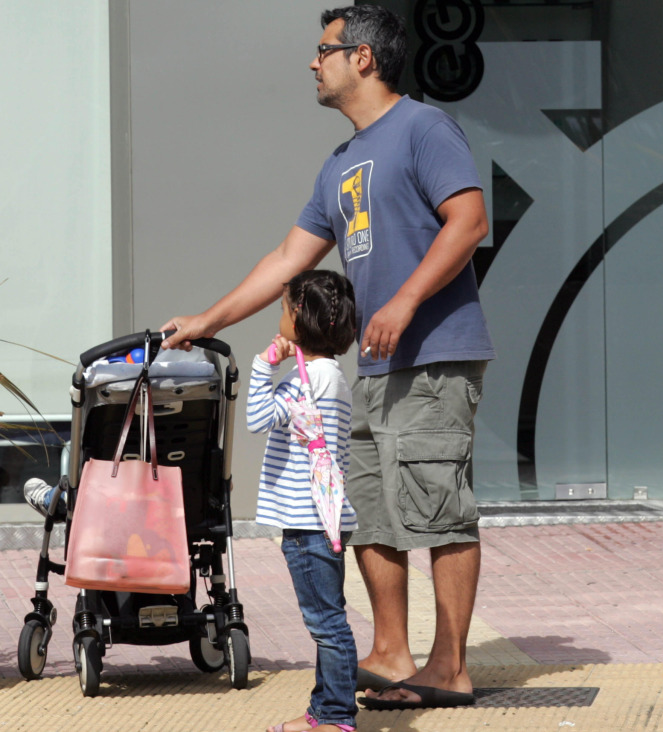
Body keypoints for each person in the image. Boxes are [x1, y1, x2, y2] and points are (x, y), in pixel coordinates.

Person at [161, 4, 494, 711]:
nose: (314, 62)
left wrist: (401, 303)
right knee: (369, 513)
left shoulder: (424, 129)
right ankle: (394, 652)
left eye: (325, 49)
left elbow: (469, 221)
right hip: (374, 366)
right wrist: (205, 319)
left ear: (364, 58)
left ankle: (451, 666)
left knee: (438, 511)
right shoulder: (341, 161)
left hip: (433, 356)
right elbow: (288, 259)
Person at [247, 271, 360, 732]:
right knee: (326, 620)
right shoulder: (326, 376)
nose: (279, 318)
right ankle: (324, 710)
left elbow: (256, 418)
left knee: (327, 623)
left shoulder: (307, 381)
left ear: (299, 317)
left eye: (283, 309)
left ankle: (336, 715)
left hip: (309, 523)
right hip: (319, 521)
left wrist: (262, 364)